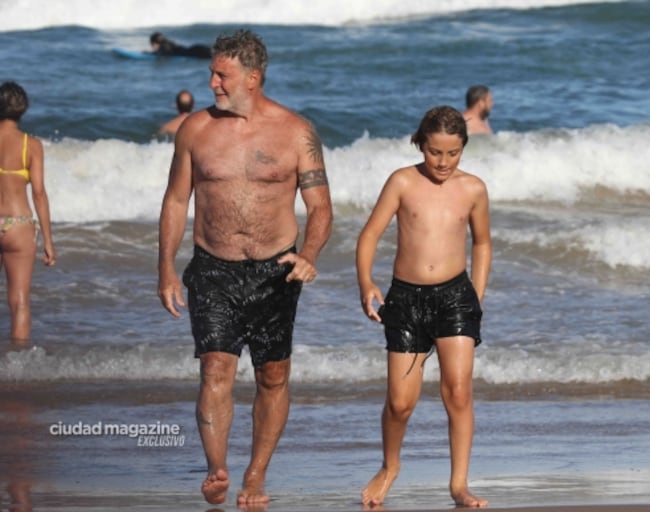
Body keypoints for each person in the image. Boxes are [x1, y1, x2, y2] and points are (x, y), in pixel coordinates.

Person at [157, 29, 332, 506]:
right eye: (212, 73)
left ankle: (255, 475)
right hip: (213, 268)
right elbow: (176, 200)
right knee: (215, 368)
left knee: (272, 376)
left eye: (221, 74)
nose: (212, 82)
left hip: (277, 270)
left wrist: (310, 255)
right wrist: (166, 269)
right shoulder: (196, 130)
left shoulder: (296, 132)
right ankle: (217, 469)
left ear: (252, 78)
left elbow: (320, 208)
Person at [356, 105, 491, 508]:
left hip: (455, 298)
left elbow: (482, 243)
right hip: (406, 300)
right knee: (400, 403)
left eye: (453, 153)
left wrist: (476, 298)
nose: (444, 162)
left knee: (459, 392)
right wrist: (366, 282)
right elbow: (369, 236)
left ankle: (459, 485)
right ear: (421, 144)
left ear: (464, 148)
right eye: (435, 152)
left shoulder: (474, 189)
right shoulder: (402, 182)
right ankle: (390, 466)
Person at [0, 82, 56, 345]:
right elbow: (39, 194)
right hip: (19, 225)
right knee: (19, 300)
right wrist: (48, 241)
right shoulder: (30, 145)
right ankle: (18, 365)